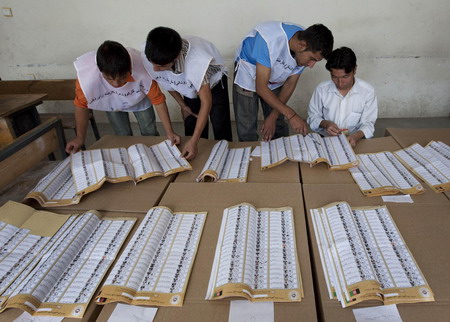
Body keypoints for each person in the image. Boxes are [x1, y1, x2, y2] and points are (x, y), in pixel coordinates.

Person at [66, 40, 180, 154]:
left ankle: (155, 155)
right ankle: (128, 157)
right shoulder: (87, 78)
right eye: (110, 79)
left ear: (130, 68)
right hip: (110, 100)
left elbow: (158, 100)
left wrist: (169, 131)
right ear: (100, 71)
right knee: (122, 134)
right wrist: (80, 138)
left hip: (139, 98)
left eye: (122, 78)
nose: (116, 84)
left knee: (149, 130)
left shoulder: (143, 68)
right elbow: (81, 106)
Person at [233, 21, 334, 142]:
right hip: (248, 69)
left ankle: (282, 153)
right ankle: (249, 155)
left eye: (316, 61)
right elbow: (261, 87)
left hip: (275, 71)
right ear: (301, 45)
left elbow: (290, 84)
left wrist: (273, 117)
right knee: (247, 123)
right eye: (312, 59)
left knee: (278, 119)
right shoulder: (270, 40)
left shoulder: (306, 44)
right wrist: (292, 115)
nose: (311, 65)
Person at [143, 26, 232, 160]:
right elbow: (167, 80)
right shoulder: (152, 53)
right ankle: (194, 155)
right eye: (153, 64)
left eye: (161, 66)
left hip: (213, 82)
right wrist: (182, 104)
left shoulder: (197, 63)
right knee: (191, 120)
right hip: (187, 81)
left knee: (219, 122)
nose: (155, 69)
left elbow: (206, 102)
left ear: (176, 57)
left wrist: (194, 142)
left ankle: (225, 157)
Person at [307, 46, 378, 146]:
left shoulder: (367, 91)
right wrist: (326, 124)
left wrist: (356, 136)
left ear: (355, 70)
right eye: (334, 77)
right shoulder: (321, 89)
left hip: (355, 141)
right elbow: (313, 117)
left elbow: (368, 124)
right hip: (326, 140)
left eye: (345, 77)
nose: (340, 83)